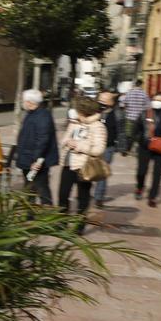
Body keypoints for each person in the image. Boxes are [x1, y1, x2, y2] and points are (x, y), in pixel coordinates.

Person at [57, 97, 107, 232]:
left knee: (82, 197)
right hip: (68, 164)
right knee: (63, 194)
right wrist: (66, 142)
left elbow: (99, 149)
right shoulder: (74, 123)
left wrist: (79, 146)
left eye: (78, 109)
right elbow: (64, 139)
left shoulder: (98, 126)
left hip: (83, 167)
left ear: (84, 111)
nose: (75, 111)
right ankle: (61, 223)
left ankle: (79, 226)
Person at [15, 89, 58, 204]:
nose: (22, 103)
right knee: (29, 190)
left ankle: (48, 216)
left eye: (23, 101)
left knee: (41, 189)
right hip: (28, 158)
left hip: (35, 161)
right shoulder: (31, 114)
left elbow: (42, 139)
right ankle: (30, 216)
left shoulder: (43, 115)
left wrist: (35, 159)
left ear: (30, 102)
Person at [136, 91, 161, 207]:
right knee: (141, 171)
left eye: (160, 100)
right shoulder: (145, 113)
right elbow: (137, 129)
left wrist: (160, 138)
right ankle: (140, 187)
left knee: (157, 173)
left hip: (160, 147)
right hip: (144, 146)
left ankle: (152, 197)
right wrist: (141, 139)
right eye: (155, 99)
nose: (156, 102)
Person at [94, 91, 121, 207]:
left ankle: (99, 197)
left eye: (105, 100)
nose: (102, 102)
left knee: (102, 173)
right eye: (101, 100)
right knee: (89, 170)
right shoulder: (93, 112)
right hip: (91, 146)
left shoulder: (117, 114)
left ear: (112, 102)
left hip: (107, 148)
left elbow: (121, 132)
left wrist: (122, 147)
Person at [120, 79, 150, 154]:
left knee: (128, 133)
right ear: (141, 85)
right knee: (138, 134)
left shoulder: (129, 93)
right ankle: (138, 150)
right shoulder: (144, 93)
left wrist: (126, 109)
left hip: (129, 117)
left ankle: (126, 149)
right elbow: (148, 106)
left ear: (135, 84)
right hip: (140, 118)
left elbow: (122, 104)